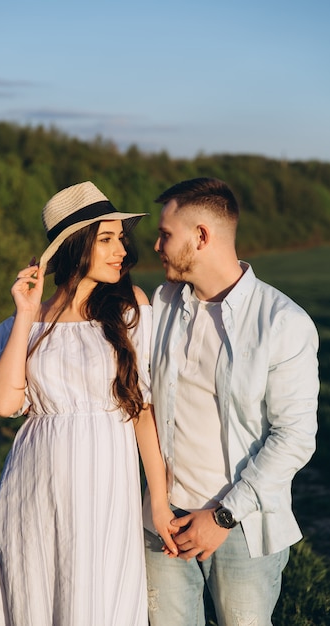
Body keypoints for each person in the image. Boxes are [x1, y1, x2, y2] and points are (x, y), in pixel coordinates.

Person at [0, 181, 178, 626]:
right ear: (74, 247)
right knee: (35, 585)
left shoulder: (130, 310)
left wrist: (159, 502)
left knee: (96, 592)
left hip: (106, 476)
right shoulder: (23, 323)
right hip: (35, 479)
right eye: (106, 239)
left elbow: (141, 410)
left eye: (120, 239)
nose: (120, 250)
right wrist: (27, 314)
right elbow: (3, 402)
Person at [143, 177, 320, 626]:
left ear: (201, 236)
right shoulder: (160, 305)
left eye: (166, 234)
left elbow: (295, 437)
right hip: (162, 522)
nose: (156, 245)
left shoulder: (283, 322)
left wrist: (221, 517)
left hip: (243, 525)